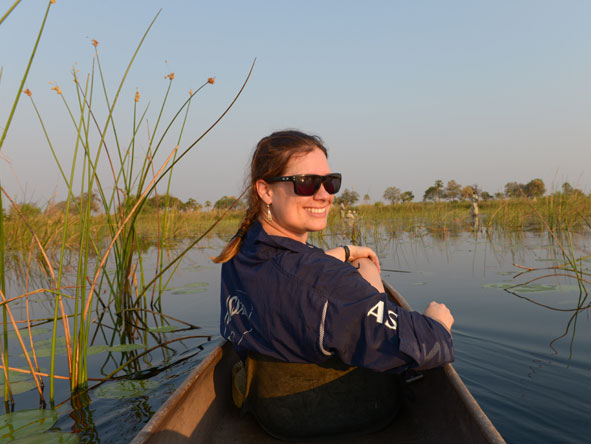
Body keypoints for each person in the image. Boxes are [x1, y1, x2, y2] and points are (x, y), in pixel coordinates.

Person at [213, 130, 454, 439]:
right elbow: (427, 344)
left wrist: (345, 253)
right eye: (307, 183)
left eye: (330, 182)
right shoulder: (326, 284)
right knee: (374, 277)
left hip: (271, 421)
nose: (325, 194)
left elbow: (294, 274)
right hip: (352, 418)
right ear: (266, 190)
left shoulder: (240, 251)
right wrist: (437, 322)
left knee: (362, 264)